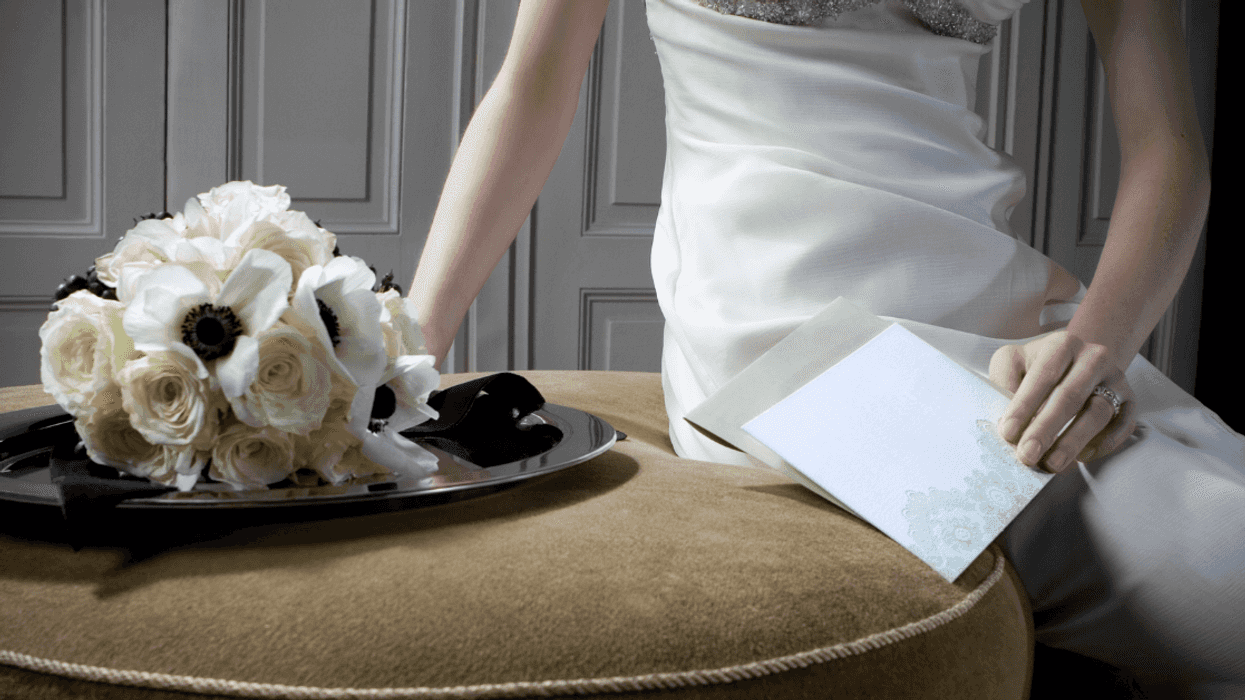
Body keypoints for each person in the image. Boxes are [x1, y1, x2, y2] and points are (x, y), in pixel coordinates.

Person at [408, 0, 1243, 696]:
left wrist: (1097, 340)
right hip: (786, 356)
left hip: (1015, 330)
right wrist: (411, 342)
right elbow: (533, 87)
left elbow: (1168, 147)